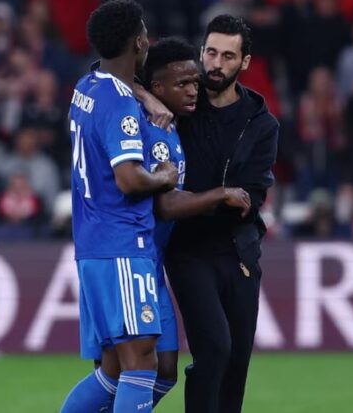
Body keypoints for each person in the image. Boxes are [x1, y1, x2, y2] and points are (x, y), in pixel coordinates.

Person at [97, 36, 252, 408]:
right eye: (183, 84)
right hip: (125, 255)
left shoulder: (171, 121)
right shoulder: (150, 128)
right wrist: (219, 194)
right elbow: (164, 205)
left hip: (149, 260)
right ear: (157, 87)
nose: (193, 90)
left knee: (164, 370)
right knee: (123, 370)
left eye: (195, 82)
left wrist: (147, 95)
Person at [60, 0, 178, 413]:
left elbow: (115, 83)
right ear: (139, 42)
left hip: (93, 244)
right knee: (141, 362)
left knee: (113, 370)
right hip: (123, 244)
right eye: (144, 32)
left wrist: (143, 95)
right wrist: (164, 176)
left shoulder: (86, 87)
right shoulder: (120, 105)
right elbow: (129, 179)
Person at [165, 15, 279, 413]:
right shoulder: (181, 102)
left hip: (239, 253)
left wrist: (207, 199)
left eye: (227, 56)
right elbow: (118, 73)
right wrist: (150, 100)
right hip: (188, 249)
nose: (215, 64)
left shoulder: (261, 123)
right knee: (214, 348)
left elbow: (251, 197)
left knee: (235, 366)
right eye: (211, 53)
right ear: (201, 51)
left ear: (244, 62)